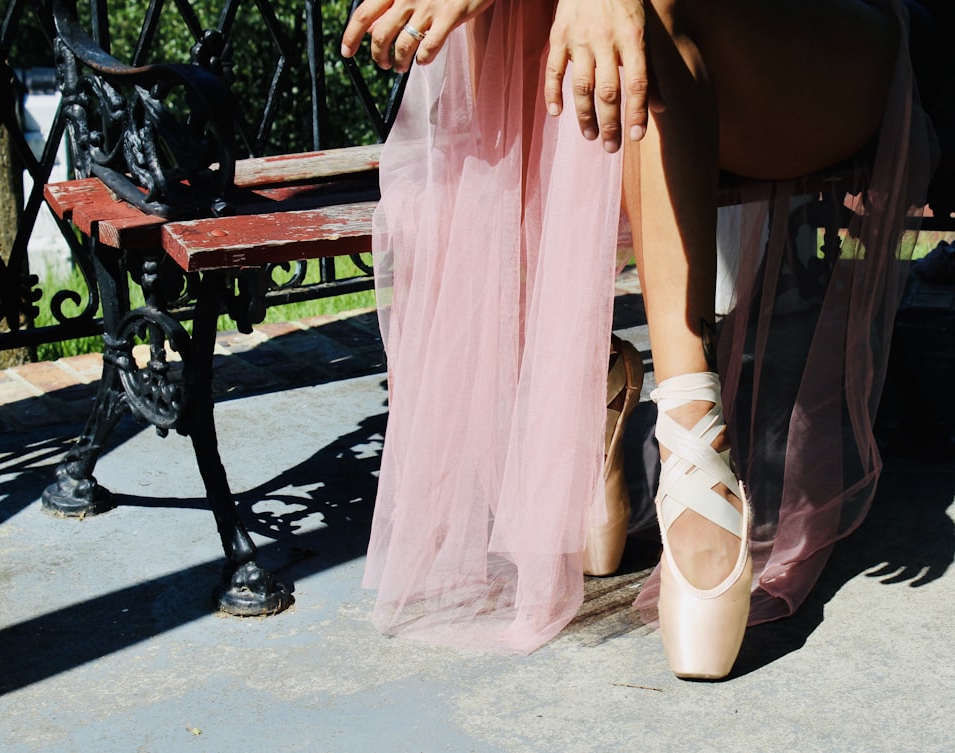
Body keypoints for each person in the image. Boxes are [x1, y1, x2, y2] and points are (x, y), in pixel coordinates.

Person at [341, 0, 937, 679]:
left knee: (641, 11)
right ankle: (583, 379)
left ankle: (691, 437)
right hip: (650, 69)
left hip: (818, 42)